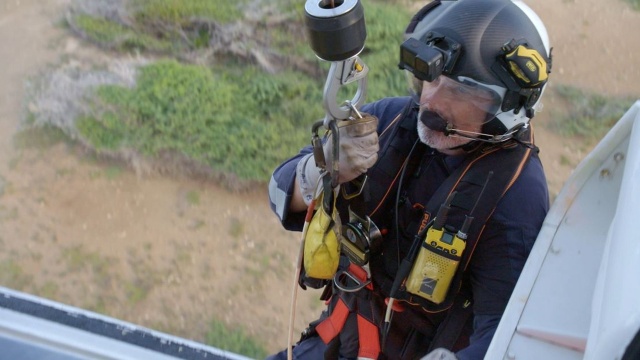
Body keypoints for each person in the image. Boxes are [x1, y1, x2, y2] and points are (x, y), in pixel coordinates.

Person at [267, 0, 552, 359]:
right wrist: (322, 171)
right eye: (429, 78)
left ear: (508, 108)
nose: (433, 101)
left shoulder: (515, 198)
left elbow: (505, 335)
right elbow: (279, 193)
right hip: (332, 344)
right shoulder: (387, 122)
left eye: (462, 90)